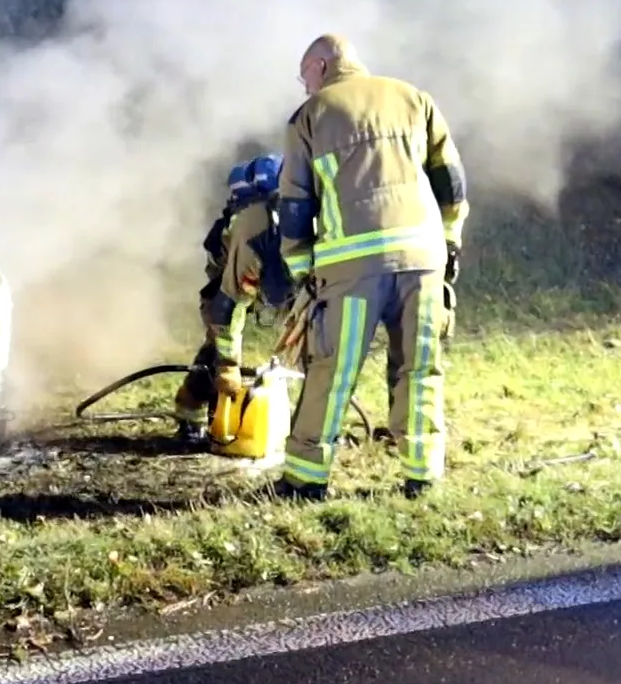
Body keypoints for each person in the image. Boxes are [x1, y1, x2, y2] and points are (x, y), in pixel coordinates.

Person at [273, 34, 468, 501]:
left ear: (322, 66)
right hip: (422, 260)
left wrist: (303, 271)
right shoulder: (413, 98)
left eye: (305, 77)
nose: (304, 88)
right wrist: (449, 245)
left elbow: (296, 204)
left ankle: (305, 482)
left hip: (352, 266)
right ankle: (423, 476)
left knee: (332, 369)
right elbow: (451, 182)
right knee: (419, 366)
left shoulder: (312, 115)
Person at [172, 152, 296, 446]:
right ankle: (192, 414)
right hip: (225, 291)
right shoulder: (251, 232)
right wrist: (228, 364)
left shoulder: (280, 223)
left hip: (250, 279)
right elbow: (227, 307)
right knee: (216, 352)